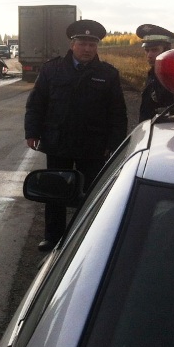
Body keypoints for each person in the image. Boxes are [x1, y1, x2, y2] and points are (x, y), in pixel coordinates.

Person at [24, 19, 127, 251]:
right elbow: (36, 104)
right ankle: (53, 236)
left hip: (93, 146)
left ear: (97, 46)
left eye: (92, 44)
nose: (88, 49)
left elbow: (117, 113)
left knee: (90, 192)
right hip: (58, 141)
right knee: (55, 190)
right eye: (83, 43)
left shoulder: (108, 74)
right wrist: (32, 132)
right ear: (72, 44)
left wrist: (114, 143)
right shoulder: (52, 70)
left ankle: (86, 236)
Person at [137, 24, 174, 122]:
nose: (149, 55)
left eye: (154, 50)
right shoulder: (152, 73)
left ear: (167, 51)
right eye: (146, 50)